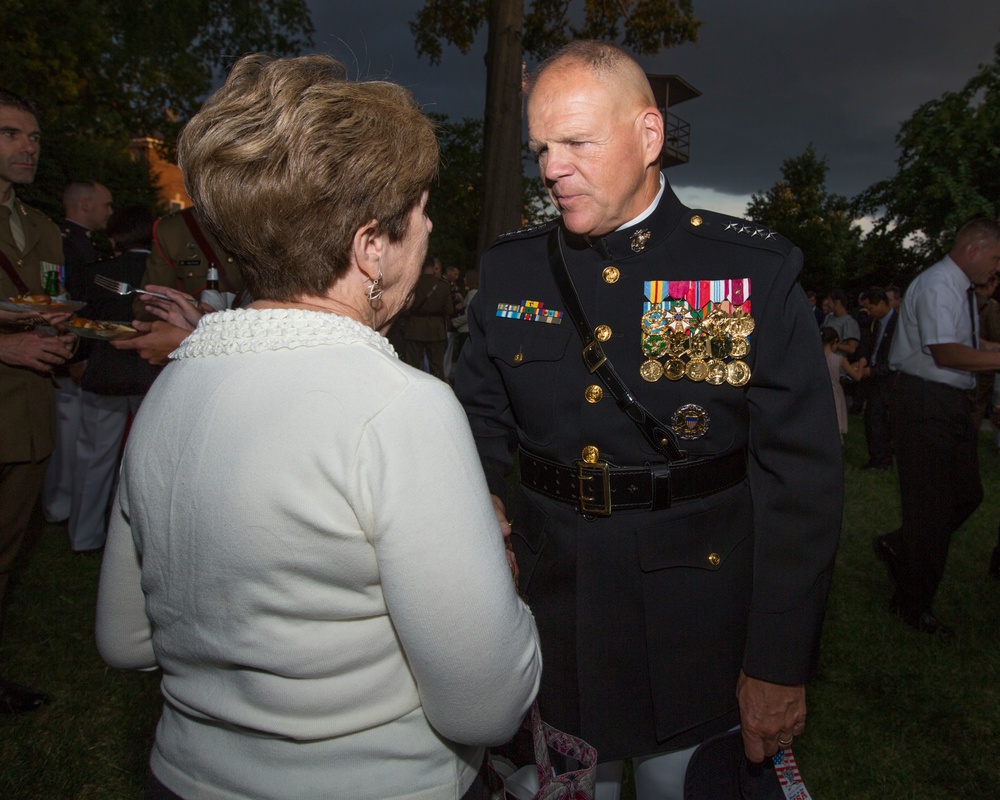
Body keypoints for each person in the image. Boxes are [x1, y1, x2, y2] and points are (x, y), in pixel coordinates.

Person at [95, 54, 540, 800]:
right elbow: (486, 704)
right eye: (423, 213)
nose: (429, 232)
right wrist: (500, 582)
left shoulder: (175, 386)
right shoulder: (400, 409)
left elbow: (125, 637)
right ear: (371, 248)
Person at [454, 40, 842, 800]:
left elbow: (801, 480)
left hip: (694, 620)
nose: (550, 168)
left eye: (576, 143)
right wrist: (478, 512)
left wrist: (776, 661)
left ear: (650, 136)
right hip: (551, 608)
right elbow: (475, 420)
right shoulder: (514, 268)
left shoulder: (746, 271)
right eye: (540, 147)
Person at [875, 218, 1000, 639]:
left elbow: (969, 345)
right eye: (996, 258)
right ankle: (912, 604)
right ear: (974, 250)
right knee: (931, 508)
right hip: (926, 402)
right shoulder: (938, 285)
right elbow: (947, 353)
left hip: (945, 404)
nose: (996, 269)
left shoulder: (956, 289)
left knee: (967, 495)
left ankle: (902, 545)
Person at [0, 88, 75, 713]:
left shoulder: (40, 225)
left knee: (8, 548)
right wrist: (7, 347)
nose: (28, 147)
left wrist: (66, 332)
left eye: (34, 137)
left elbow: (49, 303)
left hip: (26, 417)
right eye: (10, 134)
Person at [68, 205, 160, 554]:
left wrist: (78, 362)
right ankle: (142, 538)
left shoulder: (96, 273)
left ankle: (83, 534)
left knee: (93, 457)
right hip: (149, 373)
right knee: (146, 461)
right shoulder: (162, 275)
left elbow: (82, 323)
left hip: (104, 372)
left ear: (114, 236)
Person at [42, 179, 114, 525]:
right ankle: (58, 505)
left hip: (78, 352)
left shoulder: (82, 245)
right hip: (68, 355)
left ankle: (64, 505)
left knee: (75, 438)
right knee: (67, 439)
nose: (109, 212)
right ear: (85, 205)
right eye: (105, 205)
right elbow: (59, 304)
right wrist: (74, 355)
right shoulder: (62, 246)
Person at [858, 287, 898, 470]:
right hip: (874, 375)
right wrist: (865, 358)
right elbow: (872, 345)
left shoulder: (898, 324)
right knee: (873, 418)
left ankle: (882, 460)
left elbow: (896, 358)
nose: (869, 312)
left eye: (871, 308)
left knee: (877, 418)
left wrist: (873, 371)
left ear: (882, 304)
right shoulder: (877, 323)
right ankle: (879, 458)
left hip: (888, 379)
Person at [401, 254, 453, 379]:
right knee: (437, 368)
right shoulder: (443, 286)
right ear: (433, 267)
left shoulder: (413, 284)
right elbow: (449, 310)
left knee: (411, 366)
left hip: (415, 327)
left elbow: (405, 307)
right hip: (435, 330)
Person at [821, 326, 865, 442]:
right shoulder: (839, 359)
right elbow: (857, 377)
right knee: (836, 421)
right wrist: (861, 364)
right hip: (835, 393)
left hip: (820, 392)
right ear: (835, 341)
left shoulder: (817, 357)